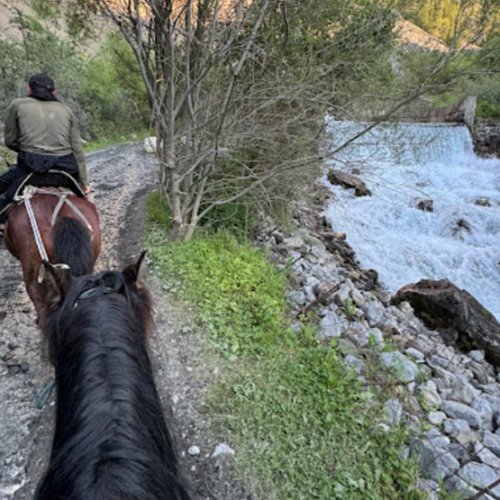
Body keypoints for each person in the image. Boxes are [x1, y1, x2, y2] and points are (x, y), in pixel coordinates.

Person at [0, 73, 89, 204]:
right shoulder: (66, 110)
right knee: (83, 201)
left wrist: (26, 148)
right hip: (65, 168)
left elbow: (10, 141)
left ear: (28, 88)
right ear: (54, 91)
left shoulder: (17, 105)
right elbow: (77, 150)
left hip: (29, 165)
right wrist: (84, 182)